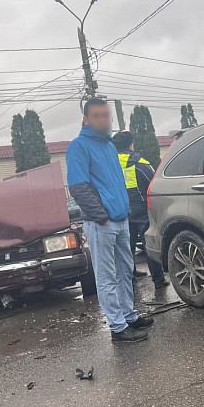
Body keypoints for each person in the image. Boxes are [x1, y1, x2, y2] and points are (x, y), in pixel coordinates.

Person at [66, 98, 153, 342]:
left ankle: (129, 315)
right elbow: (79, 186)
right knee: (106, 276)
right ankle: (117, 327)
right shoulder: (79, 146)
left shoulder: (109, 146)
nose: (103, 120)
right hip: (101, 223)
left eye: (106, 115)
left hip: (121, 220)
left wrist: (123, 211)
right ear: (86, 119)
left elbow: (116, 183)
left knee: (126, 271)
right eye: (97, 116)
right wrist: (101, 216)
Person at [112, 131, 170, 289]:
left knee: (125, 246)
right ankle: (158, 280)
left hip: (120, 210)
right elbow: (153, 183)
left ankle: (130, 277)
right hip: (141, 209)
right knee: (148, 244)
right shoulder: (138, 162)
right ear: (131, 144)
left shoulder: (109, 163)